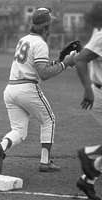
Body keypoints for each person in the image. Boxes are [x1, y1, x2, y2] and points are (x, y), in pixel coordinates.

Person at [0, 8, 75, 174]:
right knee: (49, 120)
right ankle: (45, 162)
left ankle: (1, 147)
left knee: (19, 131)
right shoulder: (41, 44)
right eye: (50, 24)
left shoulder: (24, 39)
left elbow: (36, 65)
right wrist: (65, 64)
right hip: (27, 89)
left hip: (10, 89)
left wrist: (58, 61)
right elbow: (43, 74)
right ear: (45, 26)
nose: (51, 28)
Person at [73, 2, 102, 199]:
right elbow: (81, 59)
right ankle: (88, 154)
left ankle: (88, 180)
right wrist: (87, 90)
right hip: (99, 92)